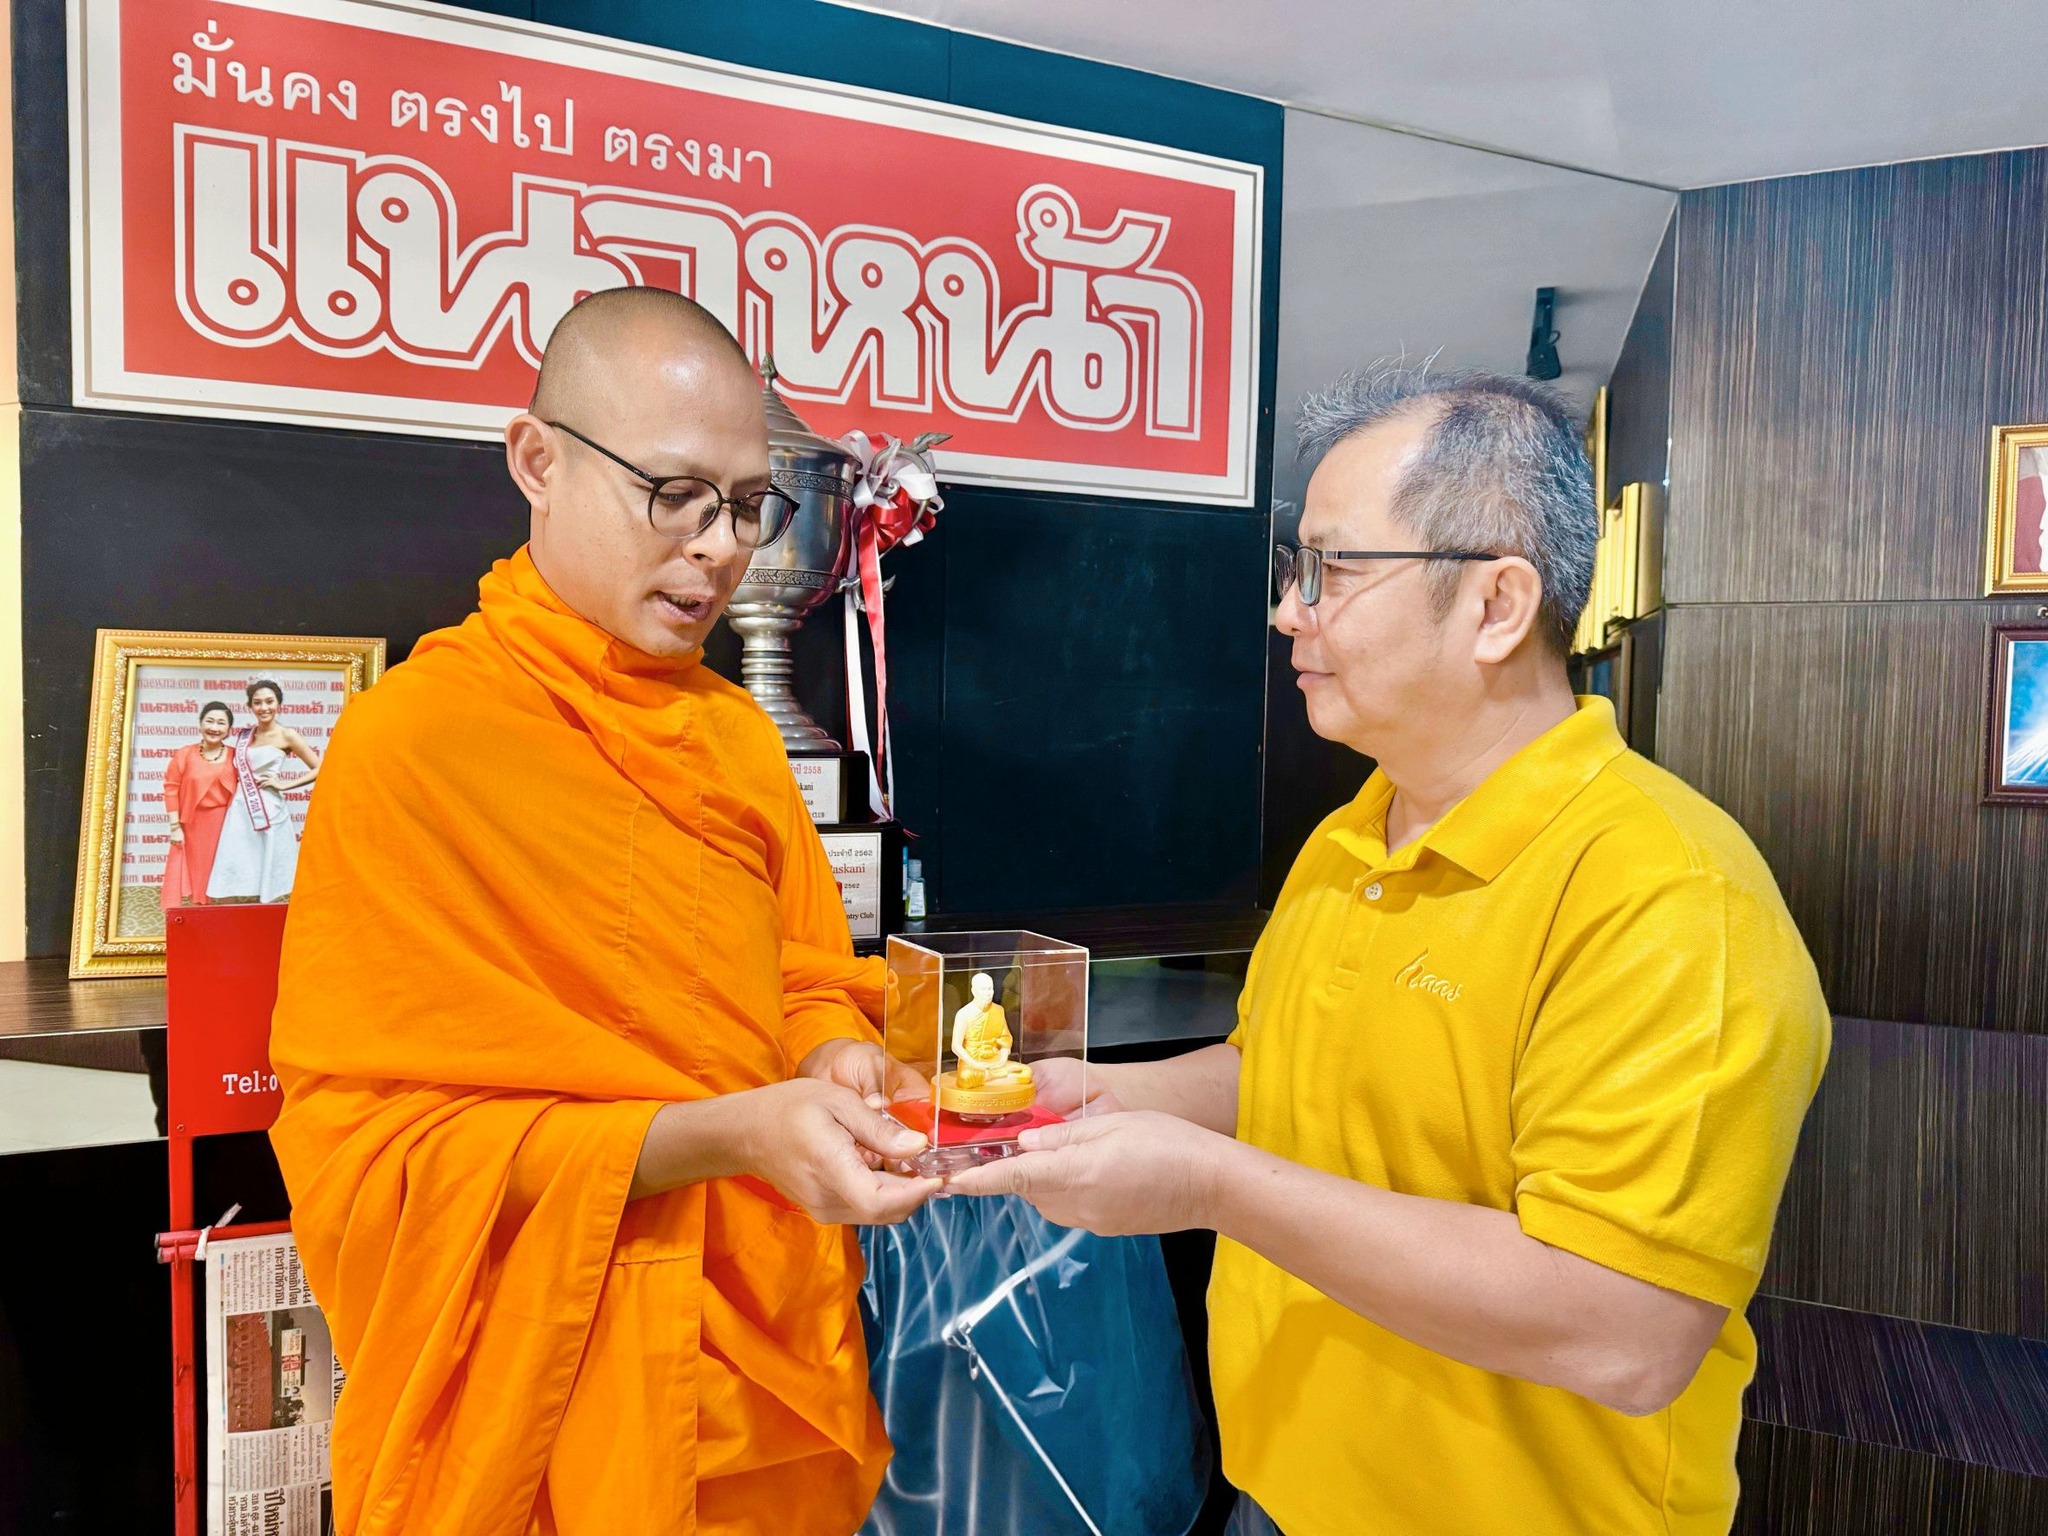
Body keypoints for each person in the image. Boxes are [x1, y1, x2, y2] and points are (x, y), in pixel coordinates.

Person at [952, 365, 1832, 1536]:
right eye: (1291, 572)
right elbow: (1280, 1071)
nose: (1286, 614)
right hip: (1283, 1485)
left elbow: (1620, 1327)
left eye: (1330, 571)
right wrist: (1085, 1098)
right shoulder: (1347, 834)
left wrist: (1209, 1188)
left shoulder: (1666, 896)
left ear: (1494, 605)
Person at [268, 287, 939, 1536]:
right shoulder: (416, 744)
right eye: (673, 494)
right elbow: (374, 1150)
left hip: (752, 1383)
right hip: (540, 1395)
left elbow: (797, 975)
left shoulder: (736, 743)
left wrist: (833, 1055)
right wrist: (728, 1134)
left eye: (746, 507)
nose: (718, 547)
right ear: (537, 460)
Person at [207, 679, 320, 903]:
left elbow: (320, 768)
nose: (264, 707)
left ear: (279, 704)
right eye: (257, 702)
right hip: (240, 807)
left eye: (269, 701)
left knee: (270, 863)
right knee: (240, 859)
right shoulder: (245, 736)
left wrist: (285, 785)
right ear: (250, 706)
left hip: (269, 808)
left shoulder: (287, 735)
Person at [159, 700, 239, 907]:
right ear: (200, 724)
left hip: (227, 825)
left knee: (225, 872)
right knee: (198, 874)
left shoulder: (236, 755)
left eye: (221, 723)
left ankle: (226, 920)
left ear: (229, 729)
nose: (214, 727)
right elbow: (171, 788)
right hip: (194, 825)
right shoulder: (184, 754)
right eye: (209, 721)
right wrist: (175, 827)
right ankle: (201, 919)